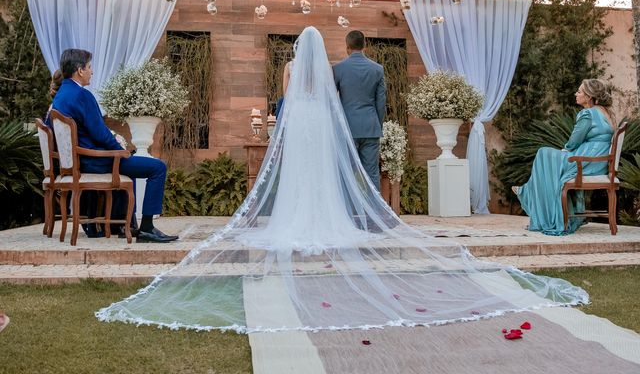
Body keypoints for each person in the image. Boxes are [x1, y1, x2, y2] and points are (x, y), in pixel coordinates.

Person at [97, 27, 587, 333]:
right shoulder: (362, 69)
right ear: (361, 46)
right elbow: (373, 104)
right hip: (355, 128)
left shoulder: (314, 74)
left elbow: (294, 105)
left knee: (307, 177)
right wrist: (365, 122)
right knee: (356, 176)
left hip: (308, 126)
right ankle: (363, 218)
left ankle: (309, 218)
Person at [51, 49, 178, 243]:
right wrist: (122, 152)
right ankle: (147, 228)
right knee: (157, 168)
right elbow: (100, 133)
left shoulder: (61, 95)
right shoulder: (82, 95)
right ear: (79, 70)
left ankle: (125, 225)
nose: (92, 71)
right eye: (89, 67)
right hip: (96, 162)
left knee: (133, 167)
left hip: (81, 161)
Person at [513, 79, 615, 235]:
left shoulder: (588, 113)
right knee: (547, 156)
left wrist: (565, 150)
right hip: (599, 162)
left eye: (579, 91)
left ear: (588, 96)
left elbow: (574, 140)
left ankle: (529, 194)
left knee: (542, 153)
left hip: (585, 162)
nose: (576, 93)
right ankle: (526, 190)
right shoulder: (605, 112)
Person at [333, 30, 386, 190]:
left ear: (347, 47)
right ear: (365, 45)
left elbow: (332, 101)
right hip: (370, 126)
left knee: (346, 173)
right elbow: (381, 102)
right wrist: (377, 124)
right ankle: (374, 213)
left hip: (347, 128)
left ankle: (348, 212)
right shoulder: (377, 69)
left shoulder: (338, 69)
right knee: (372, 174)